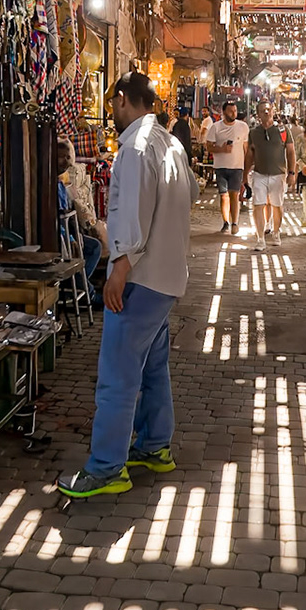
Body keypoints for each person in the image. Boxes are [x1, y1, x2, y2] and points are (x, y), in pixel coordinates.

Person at [58, 72, 199, 499]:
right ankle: (154, 446)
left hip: (142, 277)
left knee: (118, 374)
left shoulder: (136, 148)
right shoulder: (169, 142)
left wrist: (119, 267)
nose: (110, 113)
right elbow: (189, 193)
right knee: (152, 368)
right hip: (167, 276)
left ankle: (106, 467)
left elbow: (133, 215)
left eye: (111, 104)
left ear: (122, 100)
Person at [244, 102, 293, 246]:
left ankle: (276, 233)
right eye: (262, 110)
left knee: (277, 205)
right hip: (259, 174)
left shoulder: (283, 131)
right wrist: (245, 174)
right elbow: (249, 154)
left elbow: (290, 152)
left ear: (273, 111)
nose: (266, 112)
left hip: (278, 174)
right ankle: (260, 238)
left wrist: (291, 172)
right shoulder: (254, 132)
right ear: (258, 114)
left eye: (268, 109)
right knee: (258, 205)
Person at [56, 141, 104, 283]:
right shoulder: (51, 184)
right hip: (58, 237)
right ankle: (82, 287)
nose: (66, 162)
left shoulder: (61, 184)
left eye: (68, 157)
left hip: (67, 233)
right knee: (94, 247)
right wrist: (71, 239)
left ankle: (82, 286)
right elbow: (58, 217)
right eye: (61, 157)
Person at [203, 99, 248, 234]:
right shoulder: (215, 127)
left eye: (235, 111)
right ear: (223, 112)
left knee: (234, 194)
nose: (233, 113)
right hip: (221, 166)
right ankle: (225, 222)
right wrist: (221, 149)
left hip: (237, 167)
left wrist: (246, 167)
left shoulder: (243, 127)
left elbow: (246, 147)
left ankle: (235, 222)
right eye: (230, 111)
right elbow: (209, 146)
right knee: (224, 196)